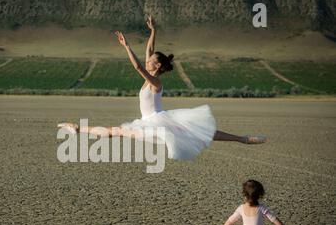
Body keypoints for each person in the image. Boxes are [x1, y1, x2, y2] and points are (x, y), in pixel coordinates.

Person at [58, 16, 266, 160]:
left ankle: (243, 139)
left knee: (202, 132)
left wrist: (127, 47)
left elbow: (138, 65)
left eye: (152, 60)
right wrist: (153, 31)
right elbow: (149, 50)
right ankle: (77, 128)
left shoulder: (155, 83)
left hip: (156, 122)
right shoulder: (152, 72)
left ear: (156, 66)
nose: (148, 59)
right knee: (115, 132)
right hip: (151, 121)